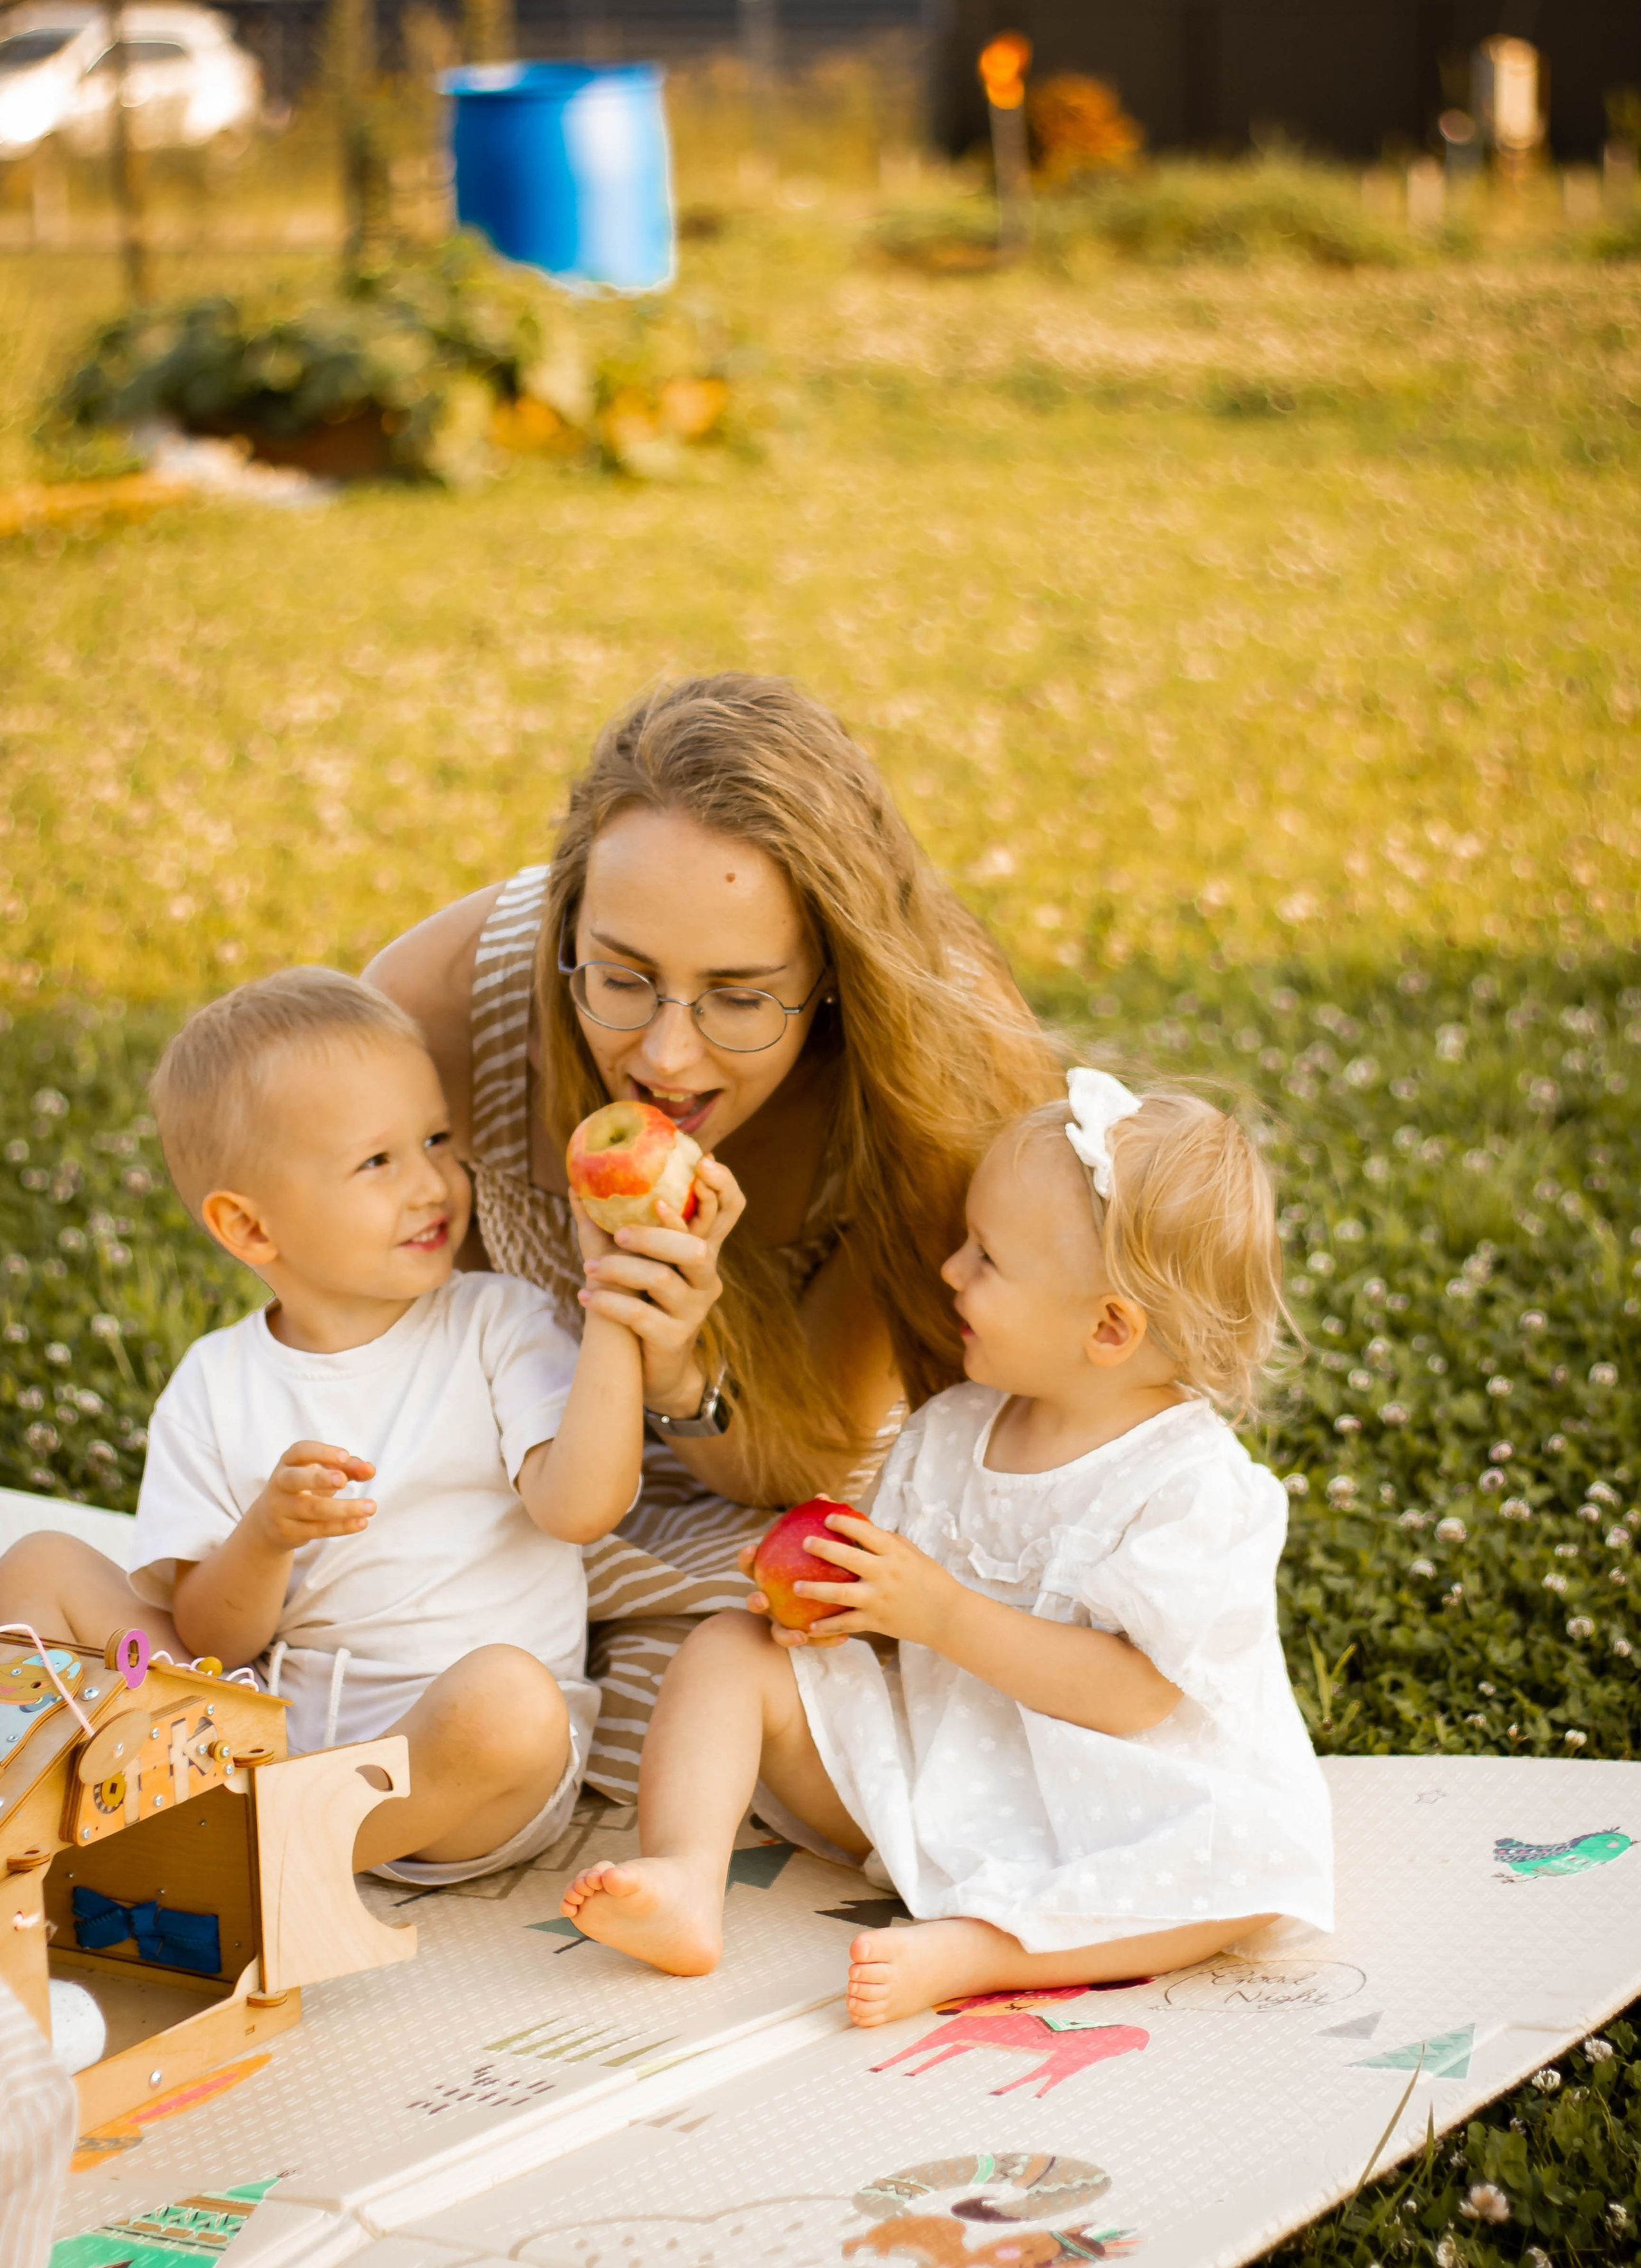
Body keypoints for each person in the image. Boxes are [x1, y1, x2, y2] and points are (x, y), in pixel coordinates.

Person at [366, 673, 1063, 1801]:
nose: (668, 1059)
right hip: (504, 1479)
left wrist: (681, 1362)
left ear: (834, 975)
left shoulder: (923, 1082)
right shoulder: (436, 1017)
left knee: (827, 1695)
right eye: (624, 977)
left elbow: (802, 1460)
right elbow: (343, 1341)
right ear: (568, 922)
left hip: (754, 1495)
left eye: (741, 997)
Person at [560, 1068, 1335, 2025]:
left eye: (988, 1260)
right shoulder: (952, 1430)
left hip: (1119, 1798)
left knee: (1250, 1864)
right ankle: (683, 1874)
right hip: (946, 1762)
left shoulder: (1189, 1487)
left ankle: (984, 1952)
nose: (952, 1272)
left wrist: (941, 1611)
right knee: (727, 1649)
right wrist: (837, 1608)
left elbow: (1136, 1696)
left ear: (1108, 1328)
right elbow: (894, 1634)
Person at [0, 970, 644, 1885]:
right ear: (251, 1229)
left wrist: (616, 1306)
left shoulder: (500, 1323)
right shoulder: (216, 1385)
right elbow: (216, 1643)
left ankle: (256, 1868)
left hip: (449, 1780)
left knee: (511, 1703)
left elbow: (581, 1507)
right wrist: (264, 1538)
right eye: (377, 1162)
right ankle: (50, 1813)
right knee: (40, 1568)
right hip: (264, 1735)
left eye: (435, 1140)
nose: (431, 1182)